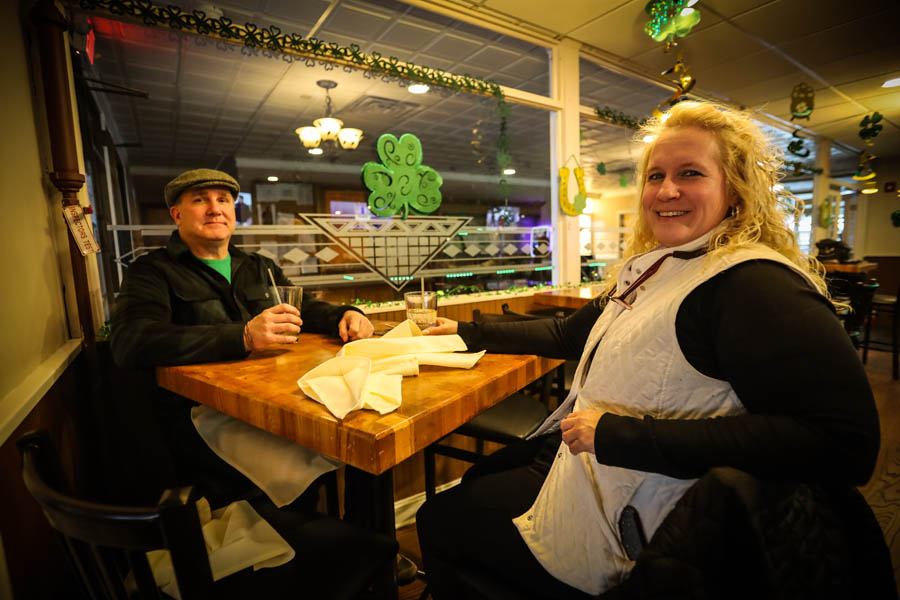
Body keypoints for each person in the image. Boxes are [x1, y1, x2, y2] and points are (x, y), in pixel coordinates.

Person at [415, 102, 881, 598]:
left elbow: (844, 444)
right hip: (593, 477)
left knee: (440, 518)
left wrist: (620, 435)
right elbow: (568, 334)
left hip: (645, 523)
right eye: (655, 175)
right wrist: (467, 332)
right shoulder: (664, 267)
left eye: (690, 173)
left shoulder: (754, 283)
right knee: (476, 486)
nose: (665, 190)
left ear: (736, 190)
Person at [110, 168, 374, 506]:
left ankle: (353, 550)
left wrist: (346, 314)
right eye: (199, 200)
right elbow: (131, 342)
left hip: (276, 401)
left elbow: (301, 308)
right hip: (205, 416)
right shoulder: (151, 271)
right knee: (304, 468)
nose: (215, 208)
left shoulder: (258, 265)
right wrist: (244, 336)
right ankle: (293, 547)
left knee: (354, 445)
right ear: (176, 214)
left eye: (223, 200)